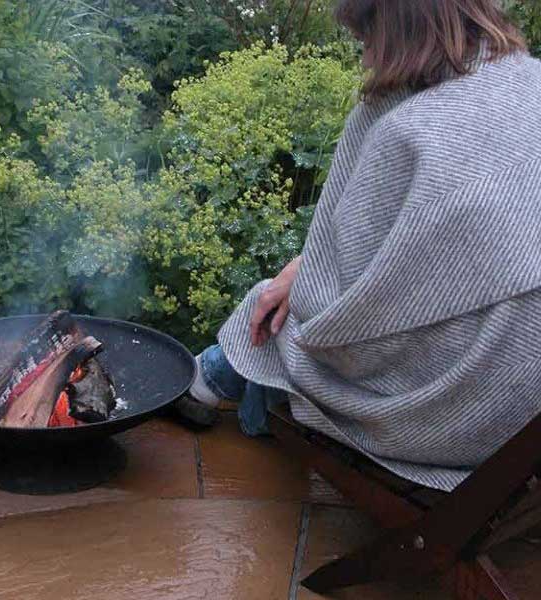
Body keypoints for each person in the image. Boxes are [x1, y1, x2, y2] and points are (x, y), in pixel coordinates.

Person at [176, 0, 541, 492]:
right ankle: (214, 379)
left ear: (395, 28)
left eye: (366, 38)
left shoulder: (403, 124)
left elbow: (335, 310)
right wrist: (304, 268)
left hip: (454, 415)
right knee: (292, 291)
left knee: (285, 318)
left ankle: (216, 386)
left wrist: (298, 278)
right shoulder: (530, 85)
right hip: (525, 415)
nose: (368, 59)